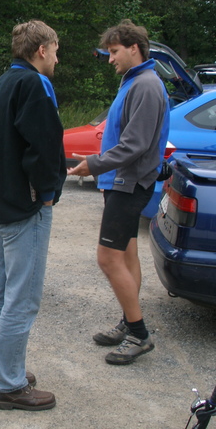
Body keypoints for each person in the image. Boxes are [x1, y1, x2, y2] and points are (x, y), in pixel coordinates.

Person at [68, 20, 170, 365]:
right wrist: (99, 165)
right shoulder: (134, 81)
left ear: (133, 48)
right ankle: (129, 321)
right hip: (120, 182)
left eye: (114, 52)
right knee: (126, 255)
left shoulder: (147, 86)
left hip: (130, 184)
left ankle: (139, 334)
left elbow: (135, 145)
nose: (110, 59)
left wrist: (95, 165)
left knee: (107, 258)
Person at [0, 20, 66, 411]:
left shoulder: (3, 83)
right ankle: (10, 385)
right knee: (22, 297)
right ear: (41, 50)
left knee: (1, 290)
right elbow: (43, 147)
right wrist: (47, 194)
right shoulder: (34, 84)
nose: (57, 59)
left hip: (0, 204)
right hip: (24, 207)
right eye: (56, 51)